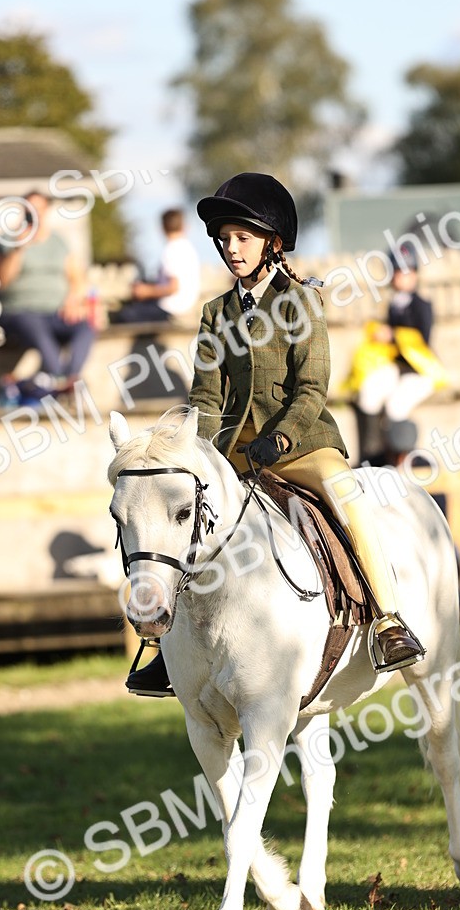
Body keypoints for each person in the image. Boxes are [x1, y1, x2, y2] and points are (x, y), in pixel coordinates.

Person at [126, 172, 426, 698]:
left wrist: (280, 440)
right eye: (224, 239)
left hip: (301, 447)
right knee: (179, 515)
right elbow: (205, 397)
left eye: (242, 237)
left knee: (349, 498)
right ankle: (164, 646)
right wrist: (194, 450)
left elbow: (312, 389)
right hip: (234, 456)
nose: (230, 248)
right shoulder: (215, 314)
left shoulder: (303, 301)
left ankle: (387, 618)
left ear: (272, 243)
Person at [346, 244, 445, 465]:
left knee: (396, 405)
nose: (403, 277)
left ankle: (405, 456)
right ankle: (369, 454)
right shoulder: (393, 305)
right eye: (399, 272)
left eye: (407, 272)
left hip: (420, 369)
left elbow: (422, 339)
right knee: (369, 391)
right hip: (397, 366)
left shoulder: (422, 305)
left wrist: (392, 336)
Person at [0, 191, 94, 404]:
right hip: (21, 311)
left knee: (86, 325)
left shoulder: (58, 242)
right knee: (40, 334)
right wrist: (20, 247)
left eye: (39, 208)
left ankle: (67, 379)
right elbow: (3, 280)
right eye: (30, 208)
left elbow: (77, 278)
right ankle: (58, 382)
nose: (35, 213)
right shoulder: (9, 240)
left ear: (46, 210)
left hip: (56, 311)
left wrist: (73, 299)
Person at [110, 208, 200, 325]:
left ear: (162, 228)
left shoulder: (171, 250)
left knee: (124, 316)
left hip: (171, 309)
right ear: (184, 226)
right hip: (182, 307)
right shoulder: (188, 248)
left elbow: (173, 287)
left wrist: (145, 291)